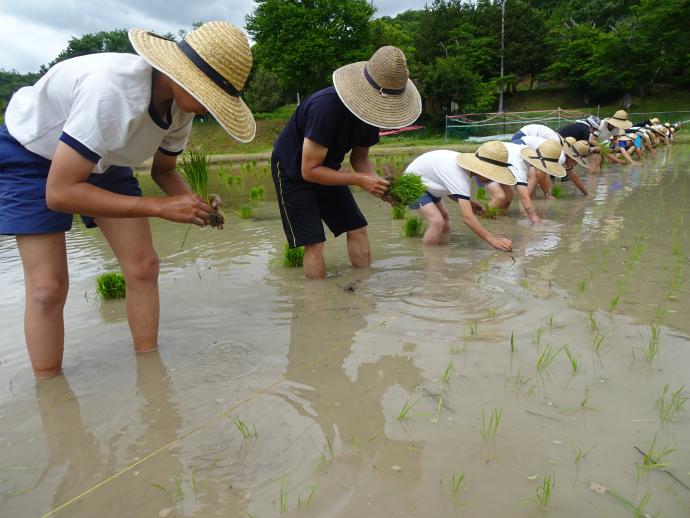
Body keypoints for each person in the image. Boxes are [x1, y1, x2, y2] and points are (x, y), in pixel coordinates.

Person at [0, 22, 256, 378]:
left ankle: (150, 372)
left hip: (105, 156)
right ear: (182, 76)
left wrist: (192, 203)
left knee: (144, 266)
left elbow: (164, 171)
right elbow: (59, 193)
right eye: (208, 96)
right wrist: (159, 207)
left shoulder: (181, 108)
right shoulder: (113, 93)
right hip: (32, 155)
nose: (208, 109)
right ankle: (51, 393)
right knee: (47, 287)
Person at [271, 46, 422, 279]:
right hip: (293, 170)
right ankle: (319, 305)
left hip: (328, 169)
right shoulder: (325, 108)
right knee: (315, 242)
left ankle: (361, 289)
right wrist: (360, 180)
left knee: (358, 228)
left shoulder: (372, 116)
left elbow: (359, 158)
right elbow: (309, 171)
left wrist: (380, 186)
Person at [403, 141, 515, 250]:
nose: (493, 179)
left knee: (444, 216)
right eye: (492, 175)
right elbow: (467, 218)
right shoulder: (459, 176)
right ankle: (431, 257)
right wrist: (493, 240)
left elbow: (448, 187)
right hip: (412, 183)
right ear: (483, 169)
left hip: (429, 183)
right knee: (437, 222)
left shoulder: (462, 170)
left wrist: (470, 203)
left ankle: (441, 248)